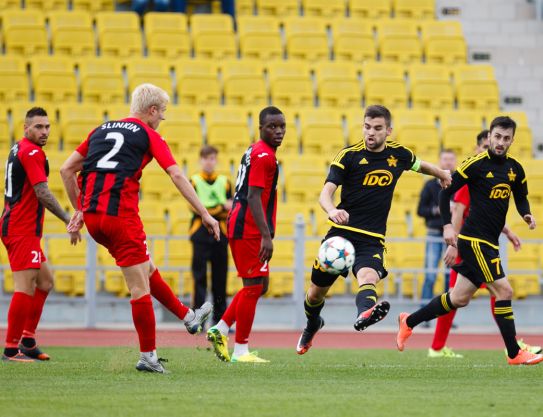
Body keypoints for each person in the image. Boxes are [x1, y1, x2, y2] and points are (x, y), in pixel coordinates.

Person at [60, 84, 220, 374]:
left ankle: (188, 317)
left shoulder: (100, 130)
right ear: (152, 111)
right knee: (139, 287)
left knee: (146, 268)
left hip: (96, 219)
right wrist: (205, 213)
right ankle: (148, 356)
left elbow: (66, 169)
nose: (162, 121)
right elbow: (176, 173)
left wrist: (80, 208)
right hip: (121, 217)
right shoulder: (148, 133)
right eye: (162, 114)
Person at [296, 105, 452, 355]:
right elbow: (325, 193)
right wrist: (331, 210)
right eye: (367, 127)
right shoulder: (349, 156)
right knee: (315, 293)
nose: (371, 133)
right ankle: (313, 322)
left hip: (372, 239)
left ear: (388, 130)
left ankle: (364, 314)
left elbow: (419, 165)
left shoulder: (398, 154)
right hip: (340, 235)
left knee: (368, 277)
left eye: (378, 128)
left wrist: (441, 173)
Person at [397, 116, 543, 366]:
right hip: (474, 240)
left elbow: (520, 196)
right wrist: (447, 228)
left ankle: (408, 322)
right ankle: (514, 353)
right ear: (490, 136)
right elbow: (446, 194)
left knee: (458, 298)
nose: (500, 142)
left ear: (512, 141)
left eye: (506, 138)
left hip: (489, 241)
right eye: (496, 137)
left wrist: (526, 213)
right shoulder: (474, 165)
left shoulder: (515, 169)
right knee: (504, 290)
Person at [1, 107, 81, 362]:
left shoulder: (19, 148)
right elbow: (42, 192)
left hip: (21, 227)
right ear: (26, 128)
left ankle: (28, 340)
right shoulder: (32, 152)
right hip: (20, 229)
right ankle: (11, 349)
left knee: (45, 281)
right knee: (24, 288)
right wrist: (69, 218)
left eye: (47, 127)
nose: (45, 131)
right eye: (38, 127)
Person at [206, 106, 285, 363]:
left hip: (245, 224)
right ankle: (241, 350)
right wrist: (266, 236)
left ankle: (221, 327)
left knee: (261, 285)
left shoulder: (255, 150)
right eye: (272, 127)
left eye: (282, 126)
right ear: (260, 128)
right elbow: (253, 196)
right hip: (248, 227)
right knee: (253, 287)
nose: (278, 131)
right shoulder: (264, 156)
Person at [189, 145, 232, 325]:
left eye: (212, 158)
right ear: (201, 160)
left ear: (216, 160)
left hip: (220, 234)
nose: (209, 162)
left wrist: (208, 210)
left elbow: (231, 208)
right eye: (206, 158)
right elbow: (195, 208)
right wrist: (220, 208)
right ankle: (197, 319)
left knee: (220, 280)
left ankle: (220, 320)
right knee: (199, 278)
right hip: (200, 233)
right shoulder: (194, 181)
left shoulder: (225, 181)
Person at [417, 149, 457, 316]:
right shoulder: (429, 185)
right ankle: (424, 315)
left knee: (450, 278)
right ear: (440, 162)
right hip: (434, 234)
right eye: (445, 159)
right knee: (431, 275)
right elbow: (420, 210)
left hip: (453, 237)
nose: (448, 162)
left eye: (451, 159)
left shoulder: (460, 183)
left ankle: (447, 318)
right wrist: (438, 210)